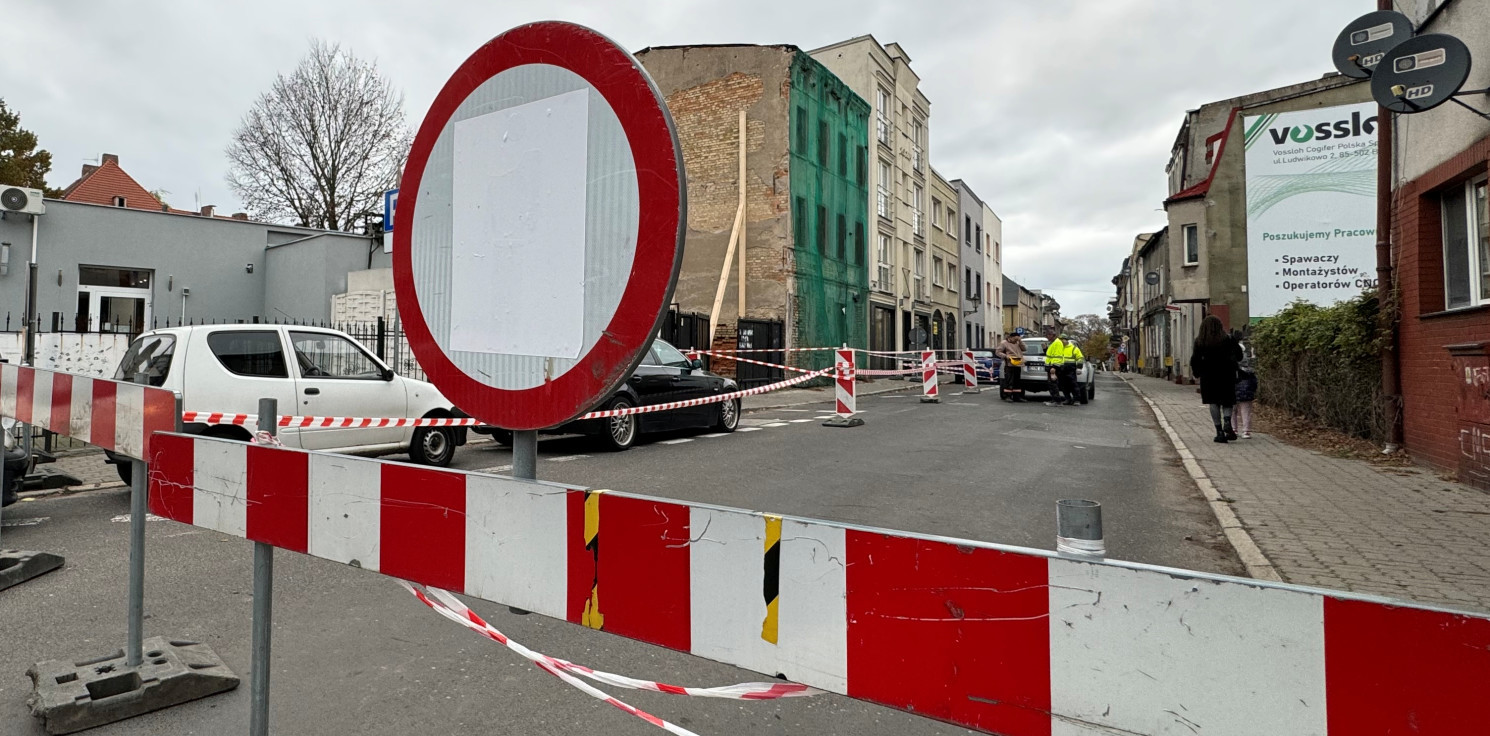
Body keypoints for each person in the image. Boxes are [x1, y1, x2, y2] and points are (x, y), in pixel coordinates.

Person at [1189, 315, 1242, 443]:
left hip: (1209, 376)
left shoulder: (1200, 342)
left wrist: (1197, 373)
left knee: (1214, 402)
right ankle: (1228, 421)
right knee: (1227, 400)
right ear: (1220, 326)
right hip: (1226, 374)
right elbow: (1239, 356)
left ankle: (1219, 432)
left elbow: (1194, 360)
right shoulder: (1228, 339)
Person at [995, 332, 1025, 402]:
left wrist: (1020, 341)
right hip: (1009, 364)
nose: (1015, 341)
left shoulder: (1018, 343)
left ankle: (1017, 396)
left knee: (1017, 381)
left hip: (1018, 363)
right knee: (1009, 381)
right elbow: (998, 352)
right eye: (1015, 339)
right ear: (1010, 337)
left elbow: (1024, 348)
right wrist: (1006, 356)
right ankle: (1007, 396)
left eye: (1017, 339)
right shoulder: (1004, 343)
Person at [1235, 357, 1258, 440]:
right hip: (1246, 394)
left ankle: (1234, 429)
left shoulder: (1232, 369)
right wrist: (1253, 391)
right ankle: (1246, 431)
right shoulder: (1250, 371)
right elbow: (1254, 383)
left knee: (1233, 411)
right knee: (1246, 412)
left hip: (1234, 392)